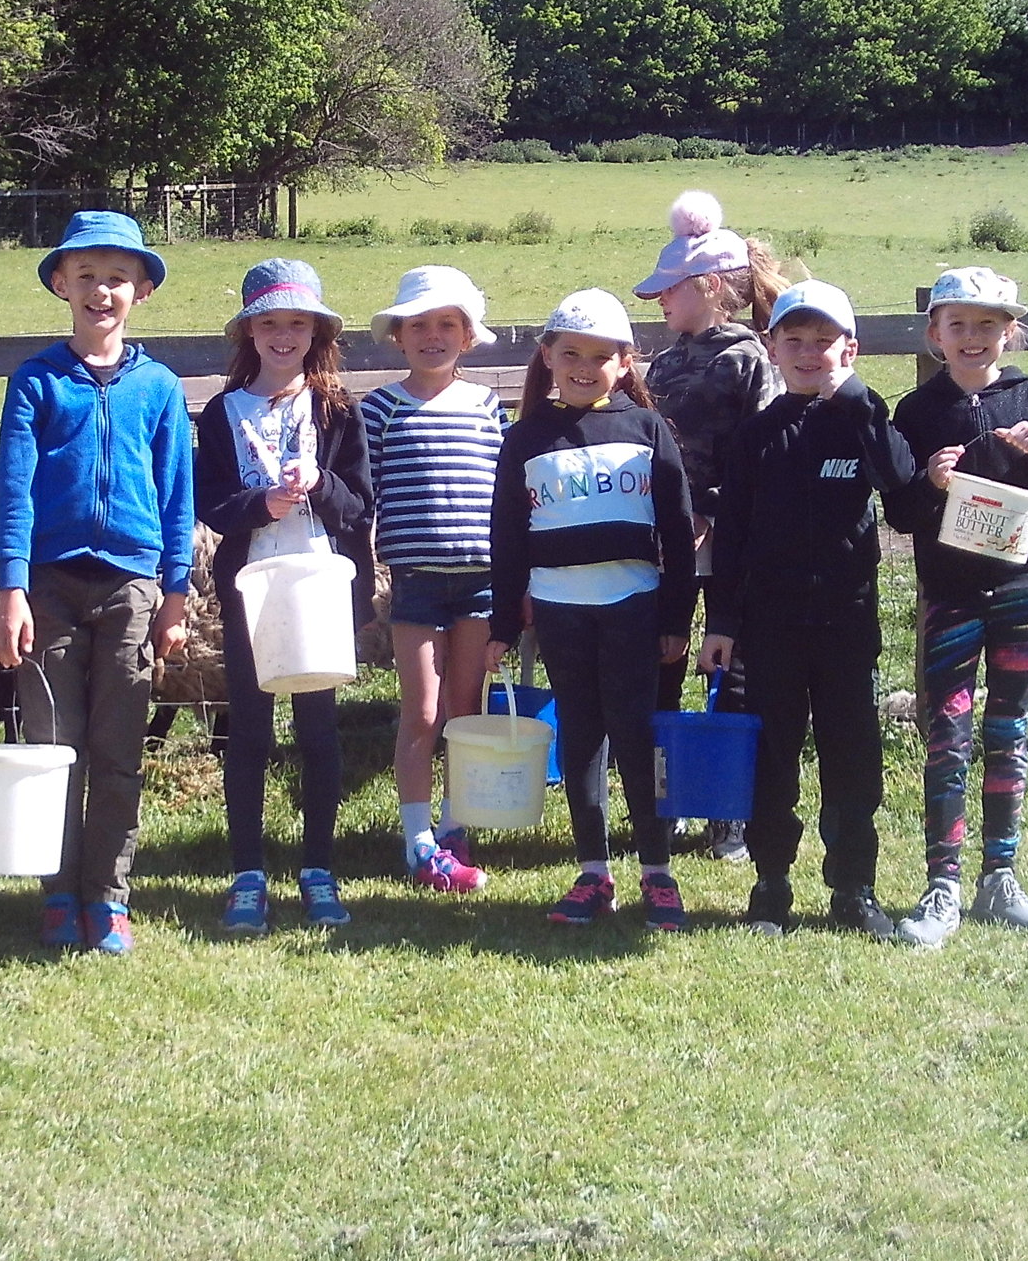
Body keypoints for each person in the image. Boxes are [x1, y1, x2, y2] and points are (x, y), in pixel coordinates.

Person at [0, 210, 193, 956]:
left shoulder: (160, 388)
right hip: (49, 588)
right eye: (86, 276)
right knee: (54, 747)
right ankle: (57, 894)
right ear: (60, 285)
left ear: (141, 290)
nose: (101, 291)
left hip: (133, 589)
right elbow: (14, 493)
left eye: (117, 277)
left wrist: (175, 593)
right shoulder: (37, 381)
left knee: (117, 751)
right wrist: (12, 588)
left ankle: (108, 897)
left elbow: (178, 496)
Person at [699, 280, 916, 938]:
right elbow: (731, 535)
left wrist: (852, 397)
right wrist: (723, 623)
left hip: (847, 624)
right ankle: (771, 885)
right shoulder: (757, 435)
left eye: (825, 342)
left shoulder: (863, 417)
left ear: (850, 348)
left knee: (853, 758)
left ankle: (854, 887)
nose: (808, 353)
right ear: (771, 346)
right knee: (775, 756)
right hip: (770, 628)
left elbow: (901, 487)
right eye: (794, 340)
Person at [485, 288, 696, 930]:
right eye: (571, 352)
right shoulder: (523, 438)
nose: (585, 365)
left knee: (636, 734)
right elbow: (507, 537)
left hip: (635, 605)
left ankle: (656, 871)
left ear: (625, 362)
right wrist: (502, 621)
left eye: (602, 355)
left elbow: (678, 528)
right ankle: (593, 873)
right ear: (547, 355)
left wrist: (674, 618)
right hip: (559, 610)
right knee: (580, 737)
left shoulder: (646, 428)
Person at [887, 268, 1028, 948]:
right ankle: (942, 884)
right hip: (951, 595)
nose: (973, 338)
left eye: (987, 325)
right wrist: (931, 480)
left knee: (1010, 733)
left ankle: (999, 878)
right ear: (934, 334)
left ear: (1010, 331)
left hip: (1022, 590)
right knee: (947, 737)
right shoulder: (915, 412)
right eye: (958, 325)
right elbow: (901, 512)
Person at [197, 259, 373, 935]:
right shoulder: (222, 412)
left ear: (316, 331)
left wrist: (319, 485)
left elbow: (358, 504)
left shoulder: (336, 409)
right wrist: (258, 503)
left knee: (318, 730)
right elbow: (211, 502)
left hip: (318, 582)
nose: (282, 335)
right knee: (249, 728)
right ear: (249, 332)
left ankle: (318, 869)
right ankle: (248, 872)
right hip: (251, 588)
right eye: (269, 323)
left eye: (296, 323)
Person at [635, 190, 786, 863]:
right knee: (662, 662)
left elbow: (765, 454)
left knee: (736, 670)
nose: (660, 300)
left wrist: (715, 513)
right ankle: (659, 807)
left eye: (671, 288)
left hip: (733, 542)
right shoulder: (662, 363)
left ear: (712, 287)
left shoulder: (753, 357)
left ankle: (728, 816)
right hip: (666, 539)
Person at [361, 266, 508, 893]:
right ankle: (416, 835)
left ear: (468, 336)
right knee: (421, 710)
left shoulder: (486, 406)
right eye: (418, 324)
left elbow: (506, 495)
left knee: (463, 710)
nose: (432, 335)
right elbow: (362, 493)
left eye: (447, 323)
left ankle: (456, 825)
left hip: (481, 580)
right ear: (398, 336)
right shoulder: (380, 409)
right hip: (416, 580)